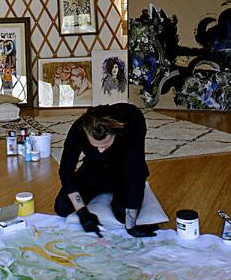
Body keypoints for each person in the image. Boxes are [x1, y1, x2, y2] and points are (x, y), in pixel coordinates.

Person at [54, 102, 157, 238]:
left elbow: (134, 171)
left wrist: (131, 226)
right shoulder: (79, 128)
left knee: (123, 216)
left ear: (115, 132)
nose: (101, 150)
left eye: (105, 145)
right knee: (62, 207)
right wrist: (82, 212)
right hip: (94, 170)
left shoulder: (132, 121)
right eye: (95, 146)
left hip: (123, 171)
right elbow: (66, 170)